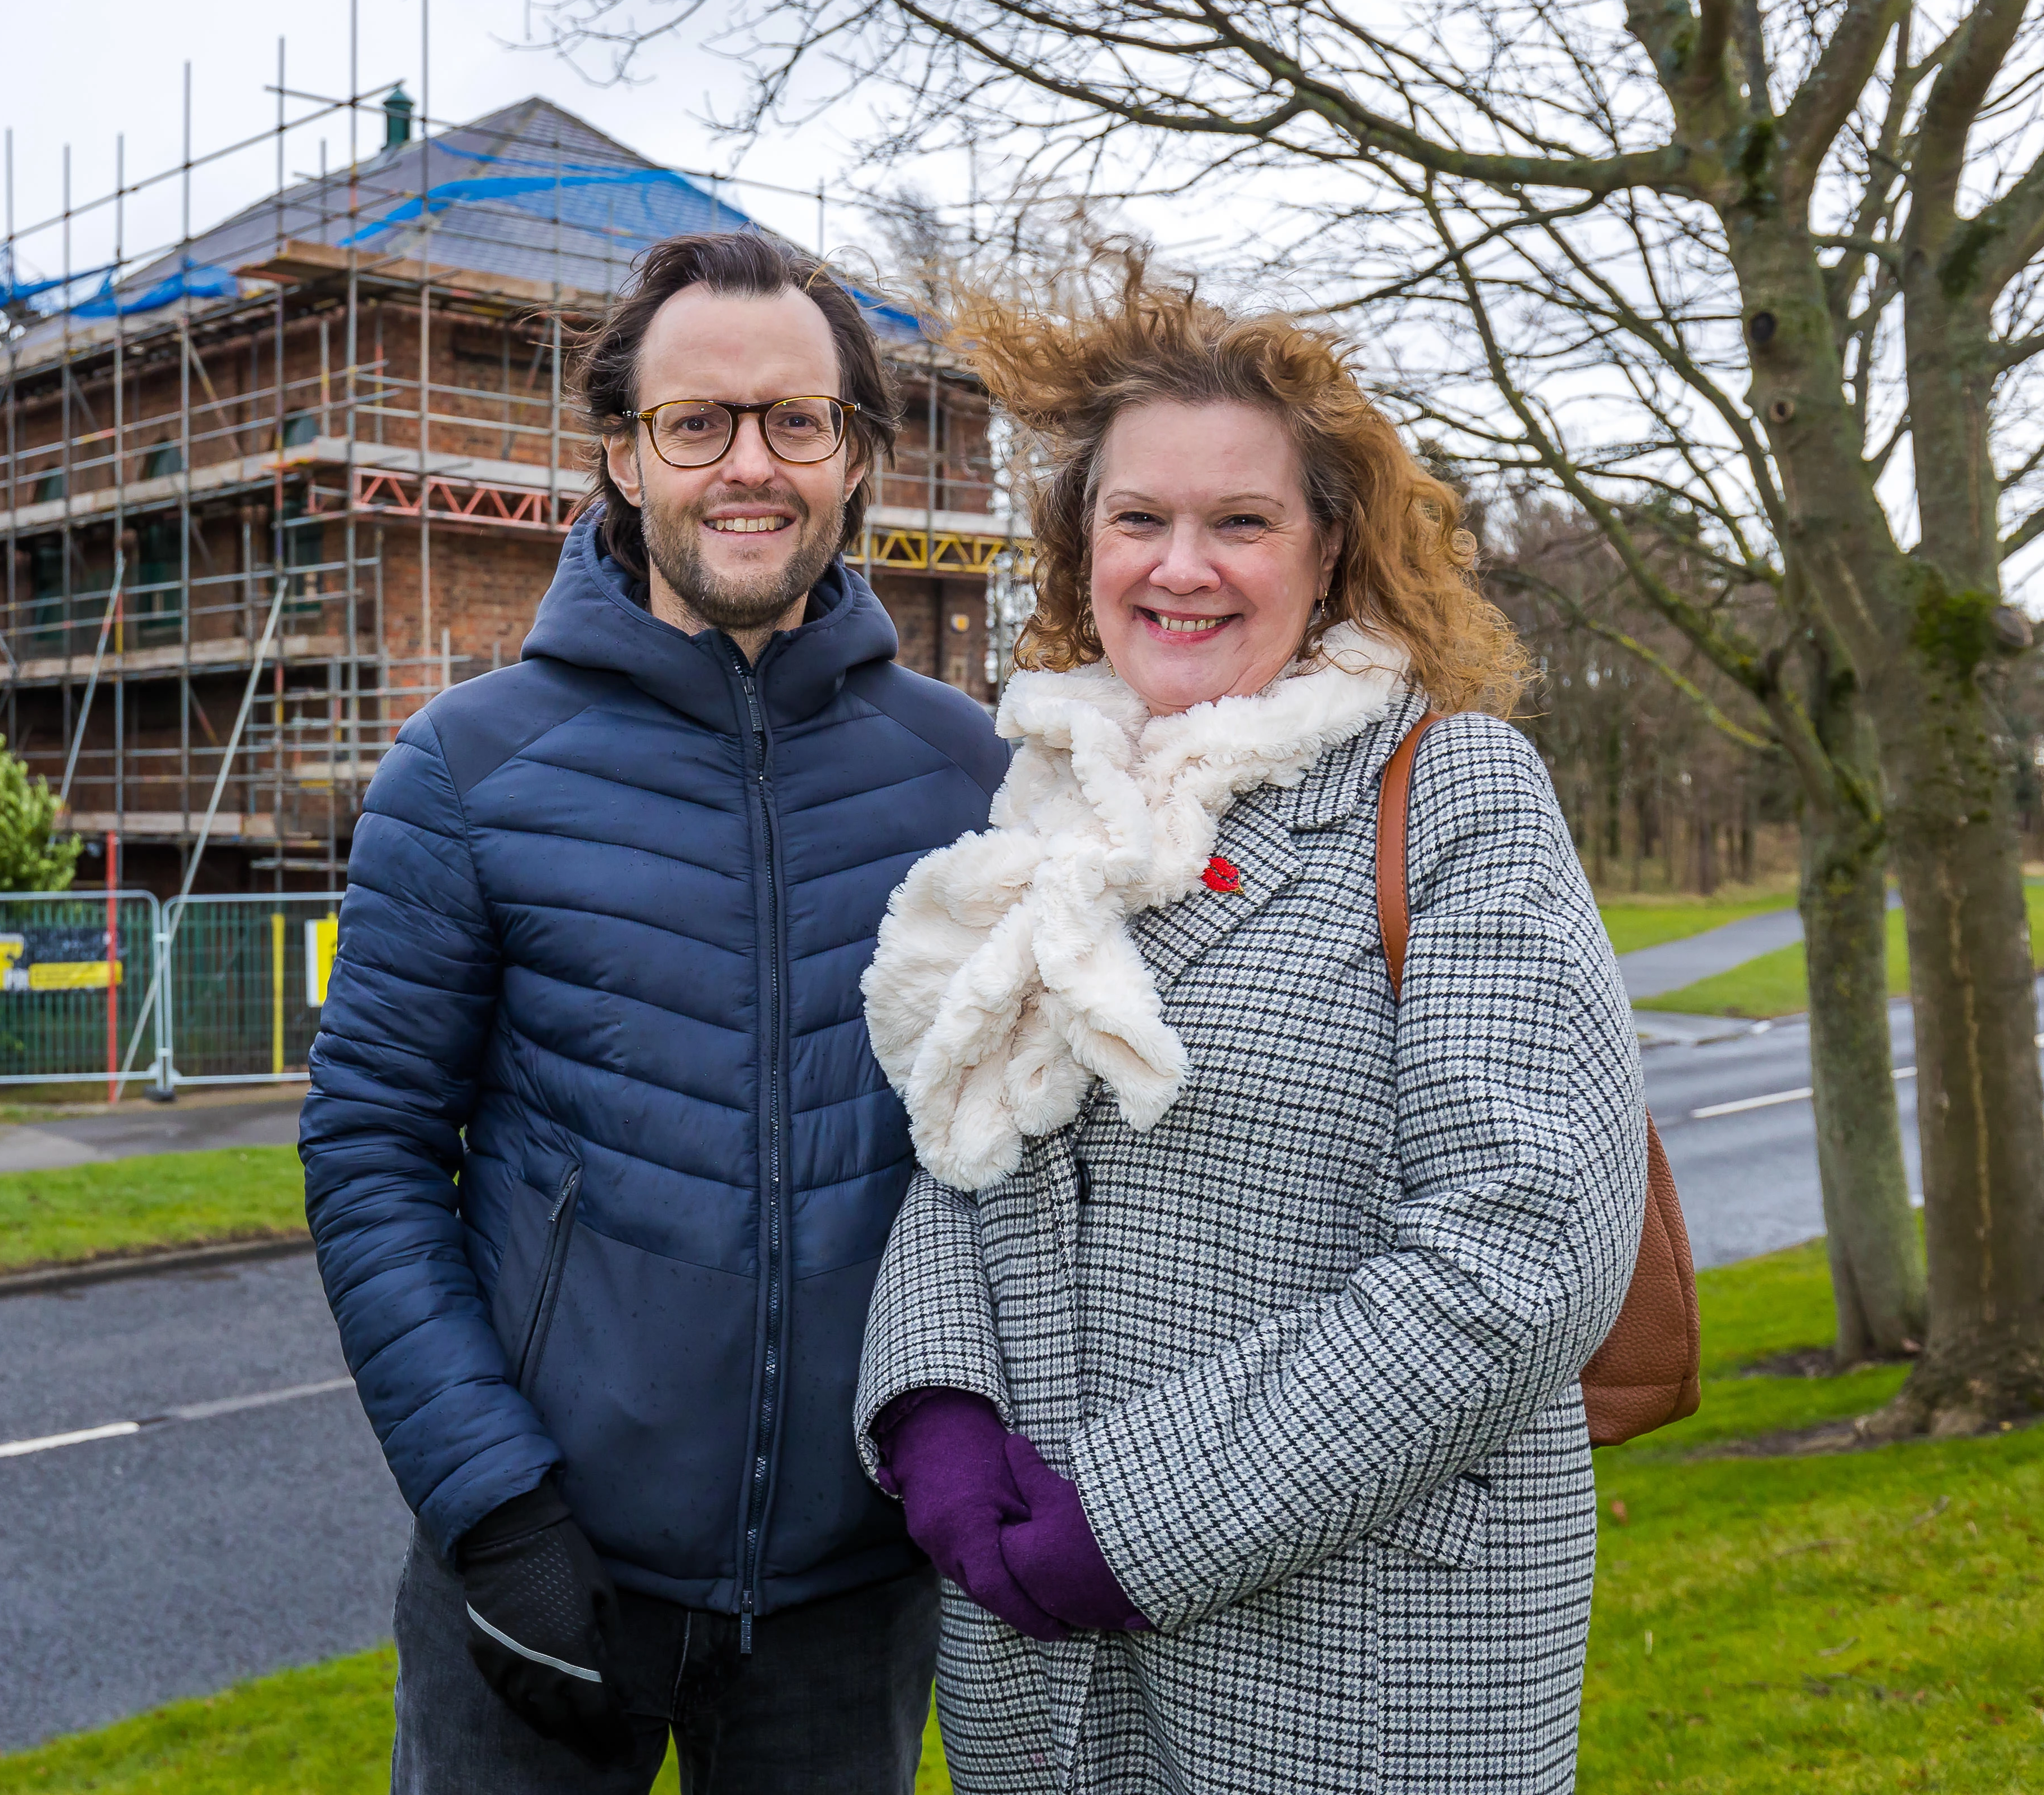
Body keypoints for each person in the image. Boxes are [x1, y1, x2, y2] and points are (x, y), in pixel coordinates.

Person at [854, 261, 1649, 1793]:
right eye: (1138, 519)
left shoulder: (1457, 794)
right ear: (1080, 544)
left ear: (1331, 547)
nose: (1182, 566)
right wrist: (938, 1405)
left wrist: (1135, 1521)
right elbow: (967, 1129)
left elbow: (1527, 1243)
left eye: (1242, 521)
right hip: (1049, 1679)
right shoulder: (1059, 815)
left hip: (1363, 1671)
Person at [302, 229, 1007, 1792]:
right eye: (698, 423)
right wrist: (493, 1505)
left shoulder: (971, 775)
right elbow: (370, 1152)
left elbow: (1015, 1154)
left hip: (852, 1591)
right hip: (544, 1566)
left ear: (858, 455)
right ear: (622, 453)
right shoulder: (466, 766)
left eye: (795, 421)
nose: (747, 465)